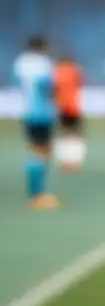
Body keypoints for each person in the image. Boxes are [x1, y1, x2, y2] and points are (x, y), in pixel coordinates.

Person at [12, 36, 58, 209]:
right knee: (42, 151)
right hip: (42, 113)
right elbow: (49, 88)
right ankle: (36, 194)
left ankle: (35, 193)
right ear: (42, 47)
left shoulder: (20, 63)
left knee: (35, 150)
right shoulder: (44, 64)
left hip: (27, 111)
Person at [53, 53, 86, 171]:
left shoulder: (56, 71)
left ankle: (65, 160)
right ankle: (75, 160)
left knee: (64, 133)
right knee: (76, 134)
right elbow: (80, 83)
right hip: (73, 106)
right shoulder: (75, 70)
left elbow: (54, 89)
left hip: (62, 106)